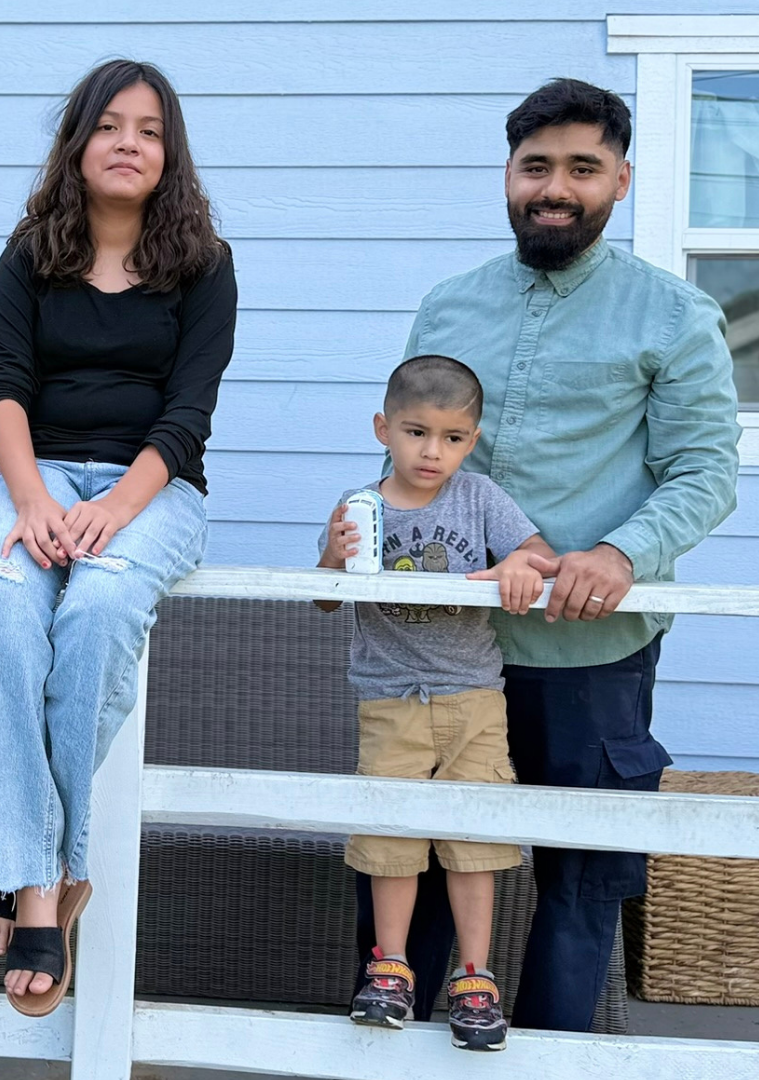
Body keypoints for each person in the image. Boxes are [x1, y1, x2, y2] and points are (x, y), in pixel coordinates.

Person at [355, 78, 740, 1033]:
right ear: (508, 175)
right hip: (443, 651)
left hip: (588, 652)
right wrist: (354, 539)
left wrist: (621, 552)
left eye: (582, 168)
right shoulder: (449, 308)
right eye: (536, 166)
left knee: (579, 881)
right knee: (414, 866)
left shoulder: (675, 314)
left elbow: (704, 470)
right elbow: (412, 463)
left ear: (621, 181)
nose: (556, 188)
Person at [0, 59, 237, 1017]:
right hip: (33, 476)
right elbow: (3, 385)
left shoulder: (205, 263)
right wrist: (32, 498)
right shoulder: (29, 254)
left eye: (150, 130)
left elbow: (189, 412)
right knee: (3, 606)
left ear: (171, 153)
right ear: (77, 143)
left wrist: (115, 507)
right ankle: (49, 880)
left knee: (101, 609)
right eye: (110, 125)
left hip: (152, 489)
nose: (129, 143)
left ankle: (28, 874)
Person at [318, 355, 553, 1052]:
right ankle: (390, 967)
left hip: (473, 699)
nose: (432, 452)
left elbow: (539, 554)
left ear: (471, 441)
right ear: (383, 429)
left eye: (451, 438)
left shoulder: (479, 499)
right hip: (390, 701)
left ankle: (475, 976)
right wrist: (332, 559)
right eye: (416, 432)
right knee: (390, 838)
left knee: (473, 840)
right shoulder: (360, 505)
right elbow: (325, 598)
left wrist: (518, 564)